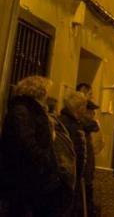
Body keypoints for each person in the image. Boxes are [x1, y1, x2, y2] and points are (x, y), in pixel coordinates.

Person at [0, 75, 67, 216]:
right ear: (39, 92)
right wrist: (44, 161)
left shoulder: (32, 111)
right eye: (46, 91)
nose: (47, 95)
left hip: (34, 176)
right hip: (25, 176)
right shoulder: (22, 111)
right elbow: (25, 141)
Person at [59, 91, 91, 217]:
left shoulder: (73, 123)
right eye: (84, 106)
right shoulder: (69, 125)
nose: (85, 110)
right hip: (68, 179)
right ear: (79, 107)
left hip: (73, 177)